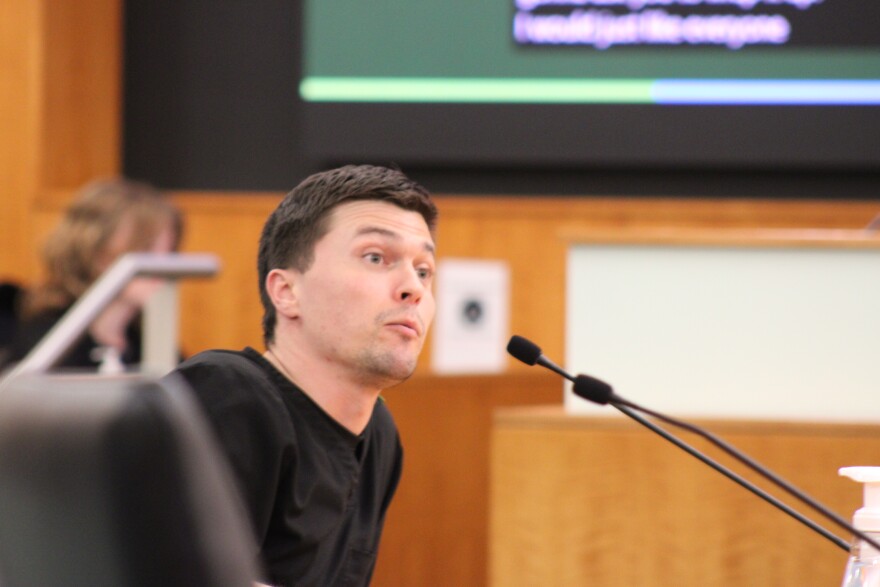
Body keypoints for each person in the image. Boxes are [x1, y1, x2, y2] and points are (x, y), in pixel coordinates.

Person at [170, 165, 438, 587]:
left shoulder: (379, 436)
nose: (414, 288)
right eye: (375, 257)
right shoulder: (226, 396)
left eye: (424, 270)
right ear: (287, 292)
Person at [9, 178, 182, 371]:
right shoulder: (47, 341)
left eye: (169, 250)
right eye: (146, 248)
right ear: (94, 248)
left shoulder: (150, 343)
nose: (163, 264)